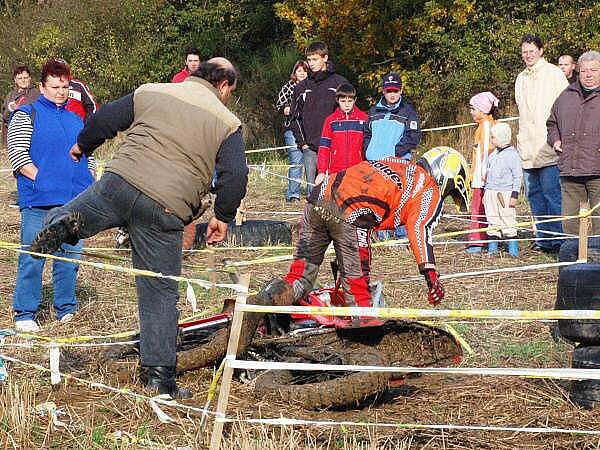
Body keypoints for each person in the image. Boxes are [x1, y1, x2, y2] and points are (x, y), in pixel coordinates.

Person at [29, 57, 248, 399]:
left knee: (76, 212)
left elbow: (106, 119)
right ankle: (158, 379)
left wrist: (82, 145)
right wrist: (222, 215)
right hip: (166, 207)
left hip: (120, 182)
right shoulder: (227, 122)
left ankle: (66, 225)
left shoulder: (153, 91)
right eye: (229, 92)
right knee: (159, 292)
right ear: (223, 85)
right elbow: (236, 174)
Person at [253, 148, 471, 329]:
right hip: (352, 213)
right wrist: (431, 275)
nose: (446, 197)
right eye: (451, 193)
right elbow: (420, 229)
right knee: (358, 295)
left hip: (318, 199)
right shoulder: (428, 188)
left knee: (299, 278)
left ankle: (262, 306)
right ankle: (363, 349)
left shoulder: (396, 163)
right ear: (448, 178)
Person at [7, 59, 94, 333]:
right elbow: (18, 156)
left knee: (69, 259)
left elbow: (86, 157)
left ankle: (66, 308)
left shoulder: (76, 119)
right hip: (38, 201)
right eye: (54, 86)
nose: (60, 91)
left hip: (73, 201)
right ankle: (25, 312)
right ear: (42, 87)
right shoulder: (26, 114)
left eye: (65, 86)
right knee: (33, 257)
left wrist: (89, 184)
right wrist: (43, 180)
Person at [515, 34, 569, 253]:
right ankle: (544, 239)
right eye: (524, 52)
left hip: (549, 148)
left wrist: (561, 138)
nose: (528, 55)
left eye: (531, 51)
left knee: (552, 195)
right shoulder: (521, 78)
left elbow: (566, 107)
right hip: (527, 149)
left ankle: (559, 240)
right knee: (534, 197)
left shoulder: (554, 74)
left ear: (541, 51)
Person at [547, 50, 600, 237]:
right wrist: (555, 140)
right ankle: (573, 263)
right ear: (579, 71)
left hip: (597, 172)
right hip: (570, 169)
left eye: (594, 70)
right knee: (570, 224)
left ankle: (595, 262)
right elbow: (551, 123)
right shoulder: (566, 96)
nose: (589, 75)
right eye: (585, 70)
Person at [363, 72, 422, 240]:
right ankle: (382, 235)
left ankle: (402, 235)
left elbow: (414, 136)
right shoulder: (374, 111)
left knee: (400, 200)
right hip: (375, 163)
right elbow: (367, 133)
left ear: (401, 91)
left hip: (398, 164)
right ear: (383, 91)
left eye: (395, 91)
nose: (392, 94)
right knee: (378, 200)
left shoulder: (408, 112)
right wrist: (369, 151)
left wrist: (396, 152)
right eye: (389, 91)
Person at [290, 41, 349, 196]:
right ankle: (313, 220)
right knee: (313, 193)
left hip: (333, 146)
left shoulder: (339, 83)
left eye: (315, 59)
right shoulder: (301, 87)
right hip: (310, 148)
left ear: (325, 58)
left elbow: (348, 113)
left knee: (335, 191)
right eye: (309, 60)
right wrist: (303, 143)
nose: (311, 63)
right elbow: (295, 117)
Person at [465, 92, 499, 253]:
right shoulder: (484, 125)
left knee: (479, 207)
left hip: (483, 176)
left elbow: (487, 152)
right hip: (481, 174)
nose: (471, 112)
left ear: (482, 110)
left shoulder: (486, 126)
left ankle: (478, 241)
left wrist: (483, 175)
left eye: (473, 108)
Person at [314, 83, 367, 185]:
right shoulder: (330, 120)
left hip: (358, 170)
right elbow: (324, 148)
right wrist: (321, 171)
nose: (347, 104)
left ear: (355, 100)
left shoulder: (364, 119)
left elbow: (368, 147)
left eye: (350, 101)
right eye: (343, 101)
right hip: (335, 170)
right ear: (337, 100)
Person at [483, 123, 523, 257]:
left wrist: (514, 195)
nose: (491, 140)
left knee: (508, 218)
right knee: (492, 218)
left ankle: (513, 249)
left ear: (501, 138)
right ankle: (492, 248)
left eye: (493, 137)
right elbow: (488, 169)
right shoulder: (493, 154)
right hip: (490, 191)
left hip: (505, 193)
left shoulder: (512, 155)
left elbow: (518, 176)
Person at [276, 60, 309, 202]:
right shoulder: (288, 87)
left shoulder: (312, 87)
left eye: (304, 70)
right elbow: (279, 105)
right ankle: (293, 194)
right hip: (291, 127)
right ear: (295, 72)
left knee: (311, 161)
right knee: (295, 161)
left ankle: (312, 194)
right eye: (299, 70)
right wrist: (286, 109)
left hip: (309, 127)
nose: (302, 73)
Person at [2, 66, 40, 148]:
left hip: (31, 137)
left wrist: (20, 110)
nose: (23, 80)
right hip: (13, 138)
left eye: (25, 77)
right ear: (15, 80)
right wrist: (10, 109)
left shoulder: (37, 94)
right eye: (20, 78)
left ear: (30, 78)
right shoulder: (10, 95)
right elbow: (5, 118)